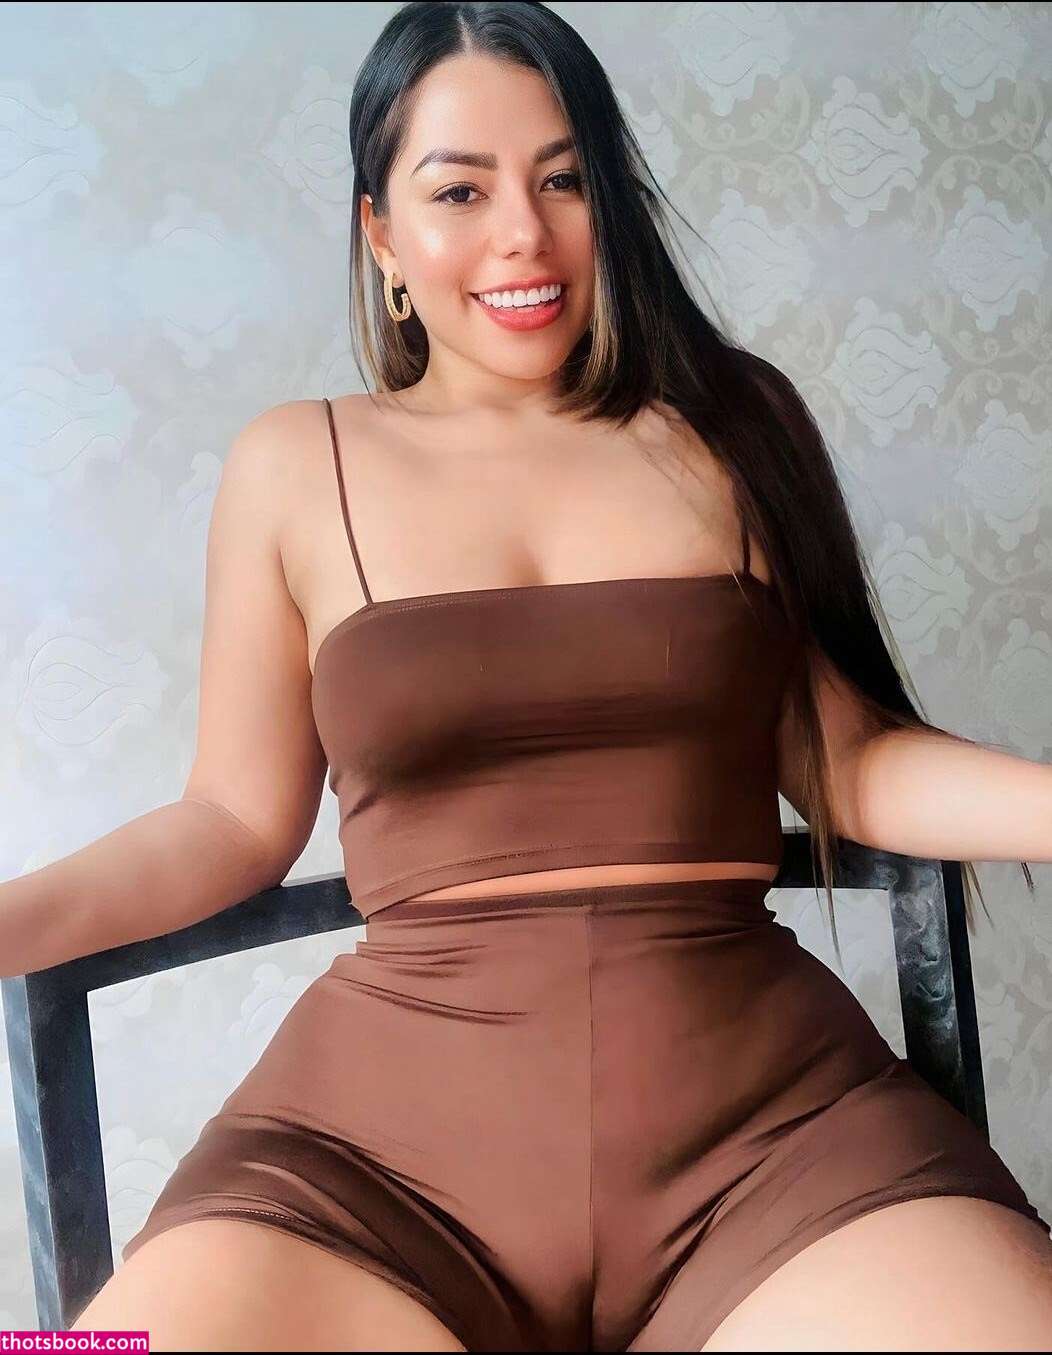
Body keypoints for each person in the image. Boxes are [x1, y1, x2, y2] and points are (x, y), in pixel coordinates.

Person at [4, 2, 1050, 1349]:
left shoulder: (734, 429)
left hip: (777, 1142)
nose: (524, 235)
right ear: (381, 231)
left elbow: (849, 760)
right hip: (368, 1170)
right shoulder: (295, 462)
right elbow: (230, 820)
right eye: (461, 190)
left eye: (564, 179)